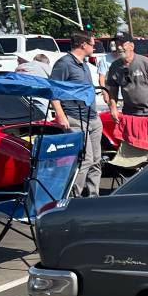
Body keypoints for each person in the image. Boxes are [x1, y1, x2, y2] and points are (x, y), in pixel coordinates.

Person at [49, 31, 103, 198]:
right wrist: (60, 114)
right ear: (83, 45)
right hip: (75, 118)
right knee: (84, 160)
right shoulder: (64, 64)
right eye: (93, 44)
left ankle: (93, 196)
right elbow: (53, 90)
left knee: (96, 160)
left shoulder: (84, 64)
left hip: (92, 117)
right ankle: (75, 197)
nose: (94, 47)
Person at [105, 31, 148, 155]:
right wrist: (113, 107)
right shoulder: (115, 66)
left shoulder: (145, 63)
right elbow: (113, 90)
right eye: (117, 43)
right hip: (130, 116)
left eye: (122, 43)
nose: (118, 46)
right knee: (133, 155)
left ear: (131, 46)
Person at [15, 54, 51, 120]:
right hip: (38, 100)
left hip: (21, 100)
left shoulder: (20, 67)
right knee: (45, 124)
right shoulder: (44, 66)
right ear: (45, 62)